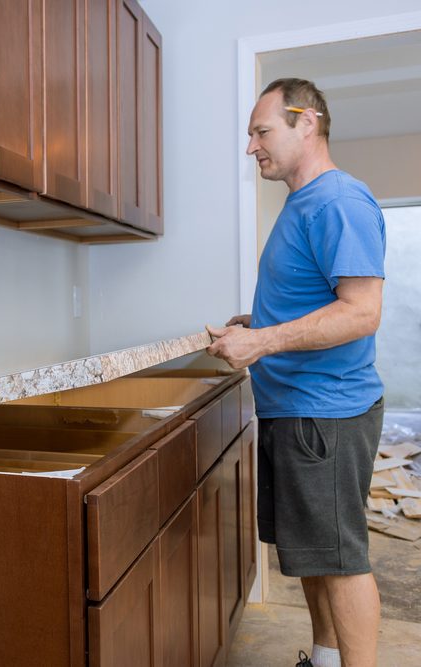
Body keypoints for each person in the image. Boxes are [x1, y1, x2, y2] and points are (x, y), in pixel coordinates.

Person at [206, 78, 386, 667]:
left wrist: (260, 340)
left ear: (306, 123)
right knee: (314, 556)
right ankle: (327, 659)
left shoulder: (339, 200)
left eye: (261, 131)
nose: (251, 146)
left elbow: (361, 311)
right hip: (296, 410)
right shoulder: (303, 202)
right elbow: (318, 297)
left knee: (340, 560)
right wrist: (256, 320)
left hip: (325, 413)